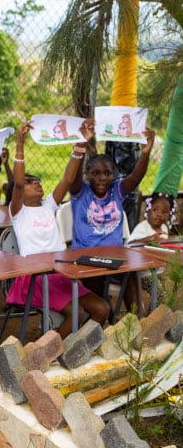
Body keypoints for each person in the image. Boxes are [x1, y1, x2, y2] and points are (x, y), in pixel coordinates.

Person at [6, 119, 110, 338]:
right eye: (30, 182)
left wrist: (81, 144)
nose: (36, 183)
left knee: (102, 309)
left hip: (62, 272)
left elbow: (68, 178)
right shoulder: (18, 212)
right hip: (36, 278)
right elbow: (17, 183)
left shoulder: (48, 206)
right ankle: (51, 351)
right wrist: (20, 144)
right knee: (77, 313)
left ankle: (77, 346)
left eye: (37, 180)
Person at [69, 125, 156, 315]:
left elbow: (135, 177)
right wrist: (81, 146)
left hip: (115, 257)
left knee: (130, 270)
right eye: (96, 173)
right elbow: (72, 178)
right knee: (101, 293)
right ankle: (107, 318)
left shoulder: (117, 190)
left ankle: (138, 318)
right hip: (86, 258)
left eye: (107, 173)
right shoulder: (80, 192)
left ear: (113, 175)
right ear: (87, 175)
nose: (102, 178)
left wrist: (145, 153)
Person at [126, 192, 175, 314]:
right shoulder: (143, 228)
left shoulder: (164, 228)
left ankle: (155, 316)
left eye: (164, 212)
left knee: (169, 294)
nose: (159, 214)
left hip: (158, 271)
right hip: (144, 273)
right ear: (148, 210)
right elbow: (129, 245)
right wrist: (149, 239)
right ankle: (150, 319)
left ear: (168, 215)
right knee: (161, 296)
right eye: (155, 210)